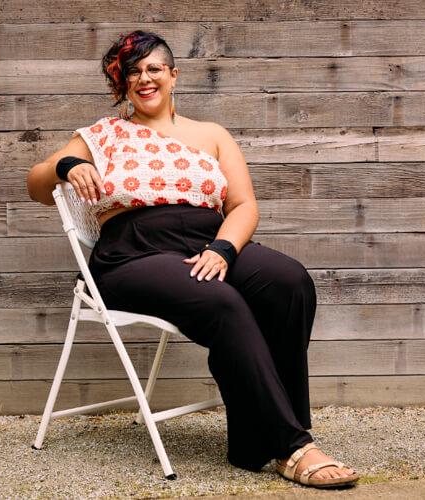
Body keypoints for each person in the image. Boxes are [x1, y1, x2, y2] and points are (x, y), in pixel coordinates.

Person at [27, 30, 359, 488]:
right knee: (221, 302)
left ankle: (253, 441)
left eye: (154, 68)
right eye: (133, 71)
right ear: (122, 83)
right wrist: (67, 165)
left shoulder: (211, 135)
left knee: (289, 281)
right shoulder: (103, 135)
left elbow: (243, 206)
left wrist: (222, 249)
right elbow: (36, 185)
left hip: (206, 240)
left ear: (173, 75)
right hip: (132, 253)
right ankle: (291, 445)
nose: (144, 78)